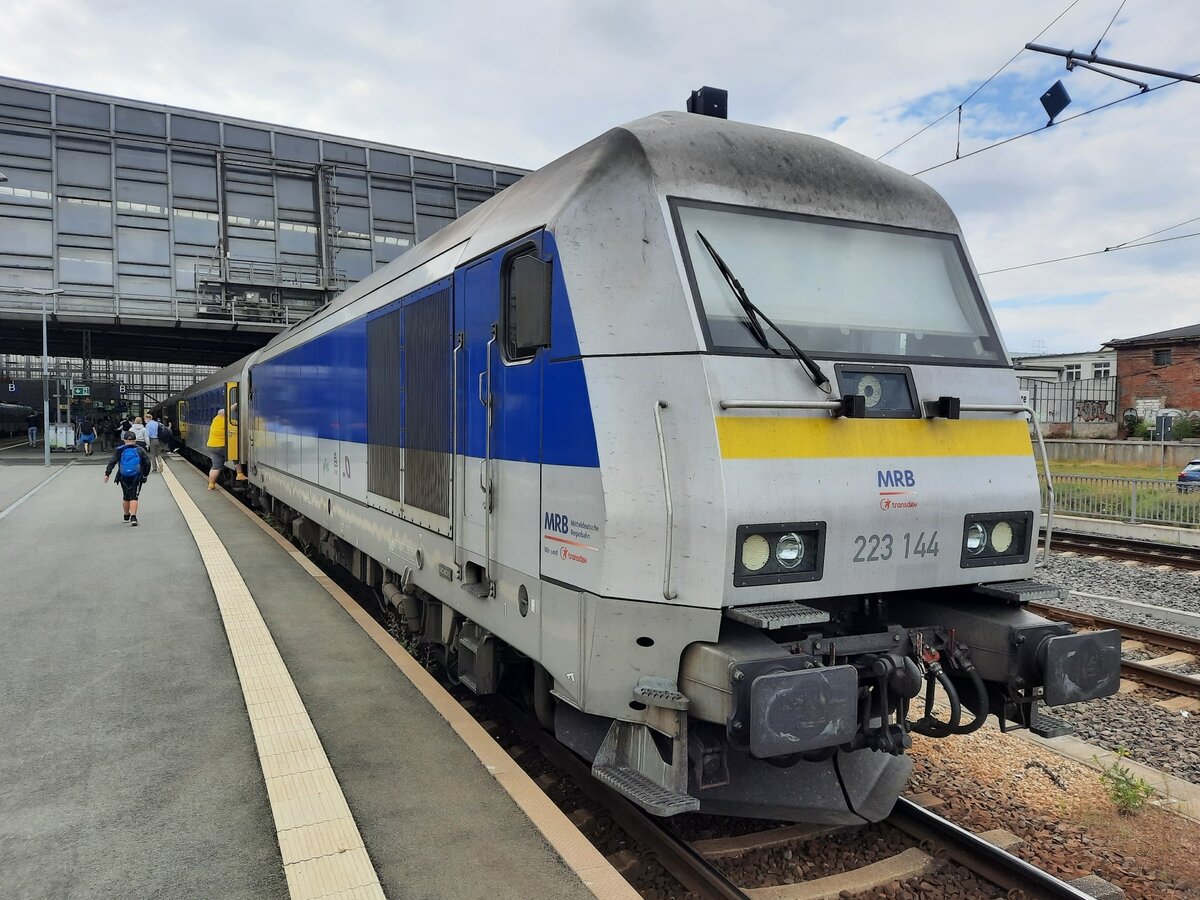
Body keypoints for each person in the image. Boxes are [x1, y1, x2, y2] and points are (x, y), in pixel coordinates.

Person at [103, 431, 151, 526]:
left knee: (126, 496)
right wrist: (145, 475)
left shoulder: (119, 450)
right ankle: (133, 517)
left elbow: (112, 462)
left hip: (123, 476)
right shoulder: (140, 450)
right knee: (134, 496)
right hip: (136, 476)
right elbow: (147, 463)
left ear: (124, 440)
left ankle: (126, 515)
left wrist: (107, 474)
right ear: (135, 440)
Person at [206, 407, 226, 491]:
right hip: (222, 446)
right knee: (236, 457)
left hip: (211, 445)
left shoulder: (215, 420)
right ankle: (239, 474)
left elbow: (225, 412)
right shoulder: (226, 422)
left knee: (215, 467)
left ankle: (211, 485)